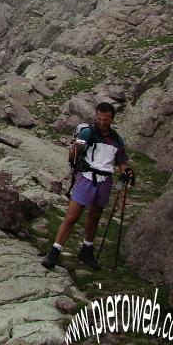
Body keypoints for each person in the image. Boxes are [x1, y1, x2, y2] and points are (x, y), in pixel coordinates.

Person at [42, 102, 132, 270]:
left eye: (105, 119)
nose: (102, 122)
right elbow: (75, 150)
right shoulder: (87, 132)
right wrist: (74, 149)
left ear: (112, 118)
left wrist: (127, 171)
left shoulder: (117, 139)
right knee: (72, 217)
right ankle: (54, 252)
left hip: (105, 180)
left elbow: (121, 161)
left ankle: (86, 249)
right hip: (86, 177)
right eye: (99, 119)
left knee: (95, 216)